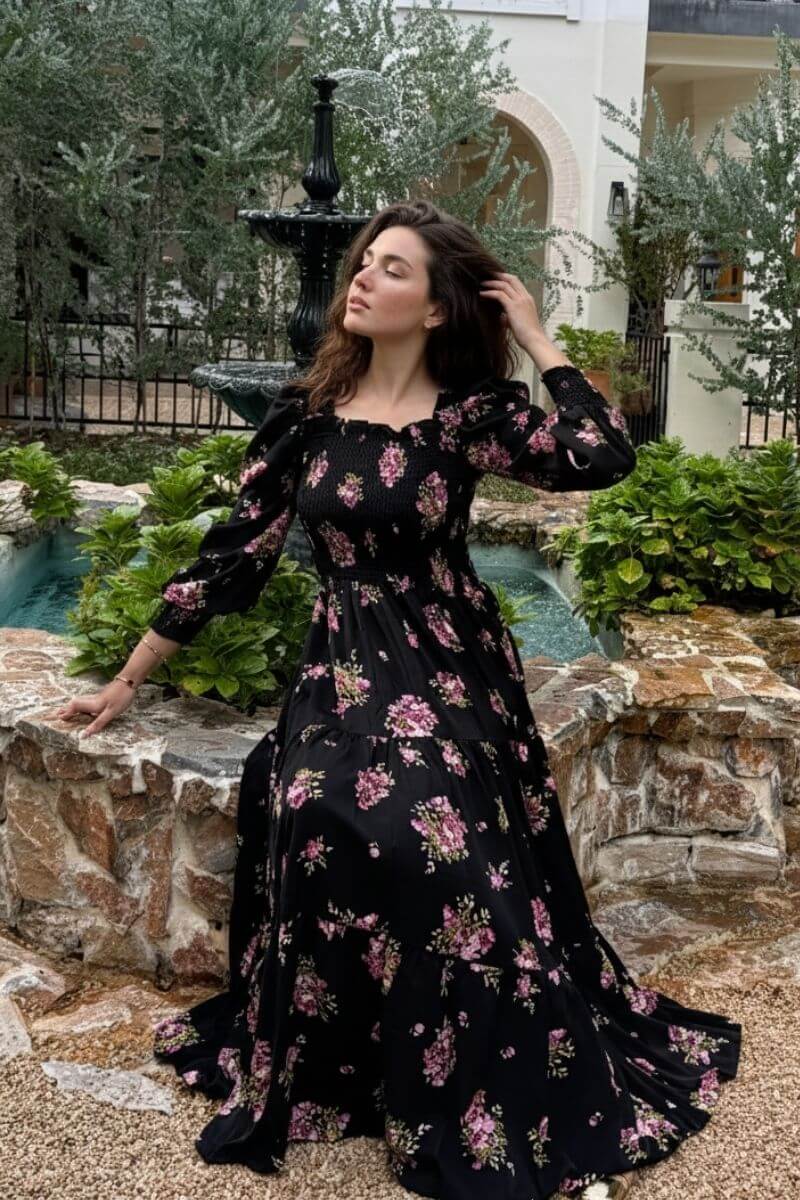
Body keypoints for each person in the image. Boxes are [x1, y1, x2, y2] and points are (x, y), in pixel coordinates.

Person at [55, 200, 741, 1199]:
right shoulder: (307, 420)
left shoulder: (468, 416)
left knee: (451, 856)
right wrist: (127, 679)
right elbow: (230, 561)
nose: (361, 281)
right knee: (308, 812)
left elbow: (598, 456)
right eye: (362, 264)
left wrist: (539, 340)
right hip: (344, 670)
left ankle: (502, 1094)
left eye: (390, 269)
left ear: (431, 308)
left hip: (452, 668)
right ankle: (355, 1064)